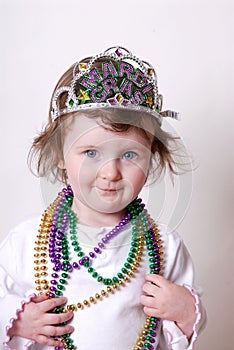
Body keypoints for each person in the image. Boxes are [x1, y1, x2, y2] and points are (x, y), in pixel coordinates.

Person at [0, 46, 206, 350]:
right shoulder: (26, 240)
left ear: (150, 159)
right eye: (91, 152)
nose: (110, 172)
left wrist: (187, 312)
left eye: (129, 155)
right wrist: (16, 320)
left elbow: (184, 327)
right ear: (59, 154)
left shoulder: (164, 245)